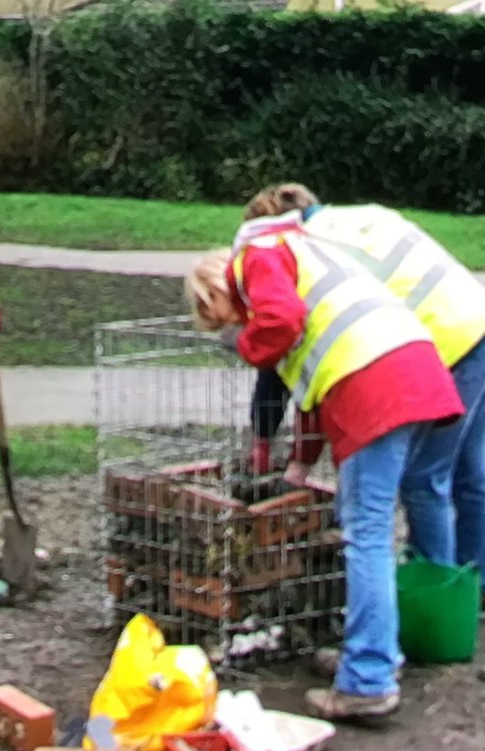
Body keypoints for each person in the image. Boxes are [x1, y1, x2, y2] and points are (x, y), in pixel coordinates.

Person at [184, 213, 464, 723]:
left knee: (367, 534)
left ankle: (368, 679)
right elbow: (311, 394)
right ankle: (373, 652)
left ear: (213, 288)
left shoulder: (258, 258)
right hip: (414, 372)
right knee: (371, 526)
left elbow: (281, 322)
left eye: (224, 317)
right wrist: (298, 467)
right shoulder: (301, 263)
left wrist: (248, 347)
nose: (234, 327)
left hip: (376, 387)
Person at [241, 183, 485, 626]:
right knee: (469, 471)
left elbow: (289, 355)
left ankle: (437, 606)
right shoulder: (360, 213)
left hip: (449, 346)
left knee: (425, 478)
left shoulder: (305, 250)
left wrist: (273, 447)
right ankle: (480, 588)